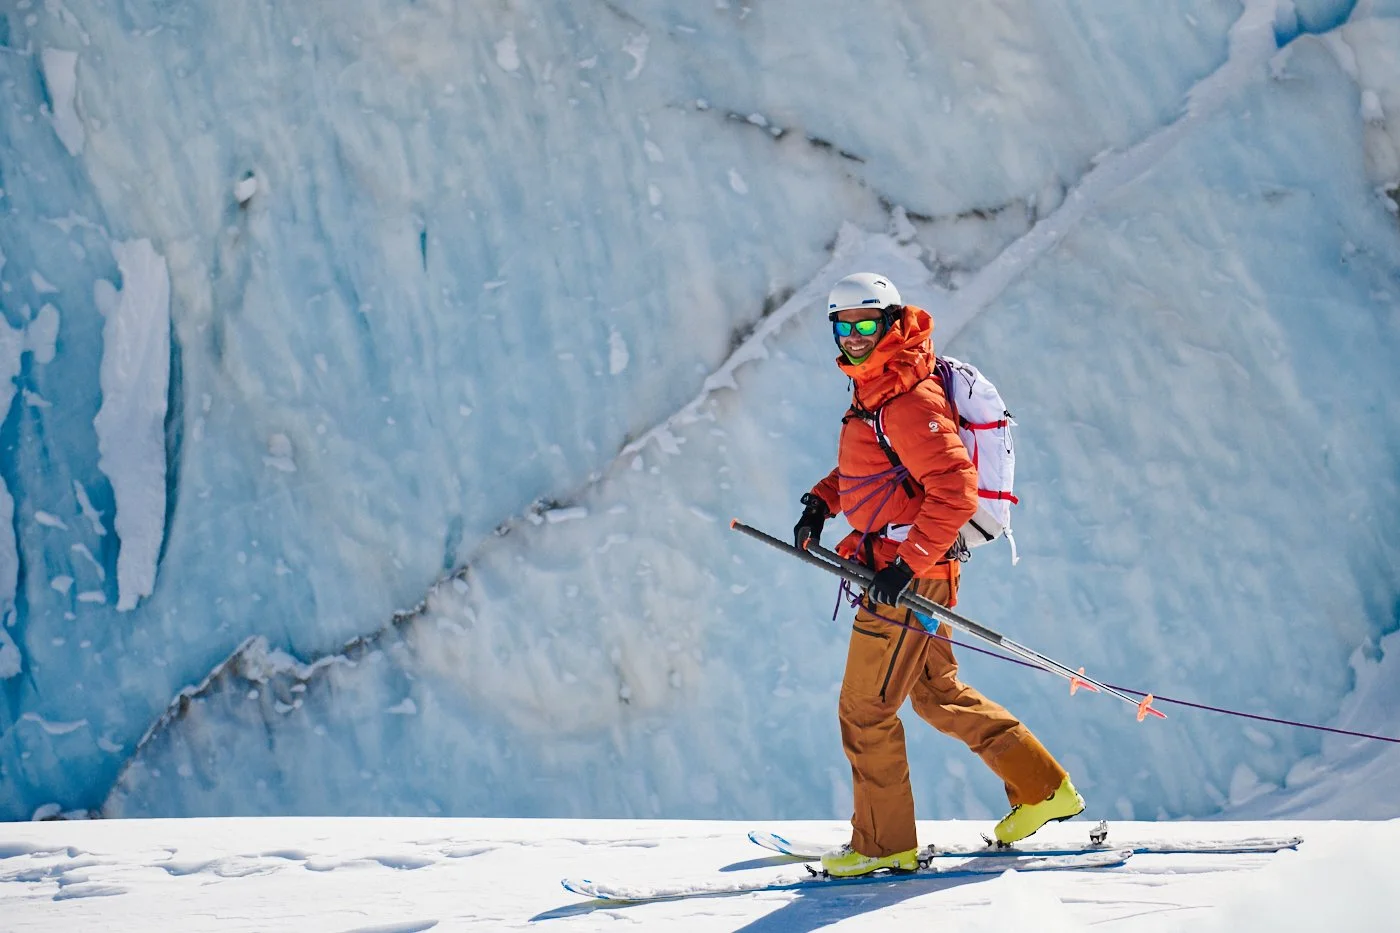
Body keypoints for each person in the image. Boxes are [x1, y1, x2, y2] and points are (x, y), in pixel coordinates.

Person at [792, 272, 1084, 878]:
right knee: (936, 694)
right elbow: (872, 469)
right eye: (842, 325)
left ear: (892, 323)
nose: (852, 337)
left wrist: (905, 564)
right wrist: (823, 502)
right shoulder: (880, 386)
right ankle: (1043, 790)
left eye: (864, 324)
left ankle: (883, 845)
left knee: (865, 709)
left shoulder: (907, 398)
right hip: (915, 569)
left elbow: (954, 492)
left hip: (904, 575)